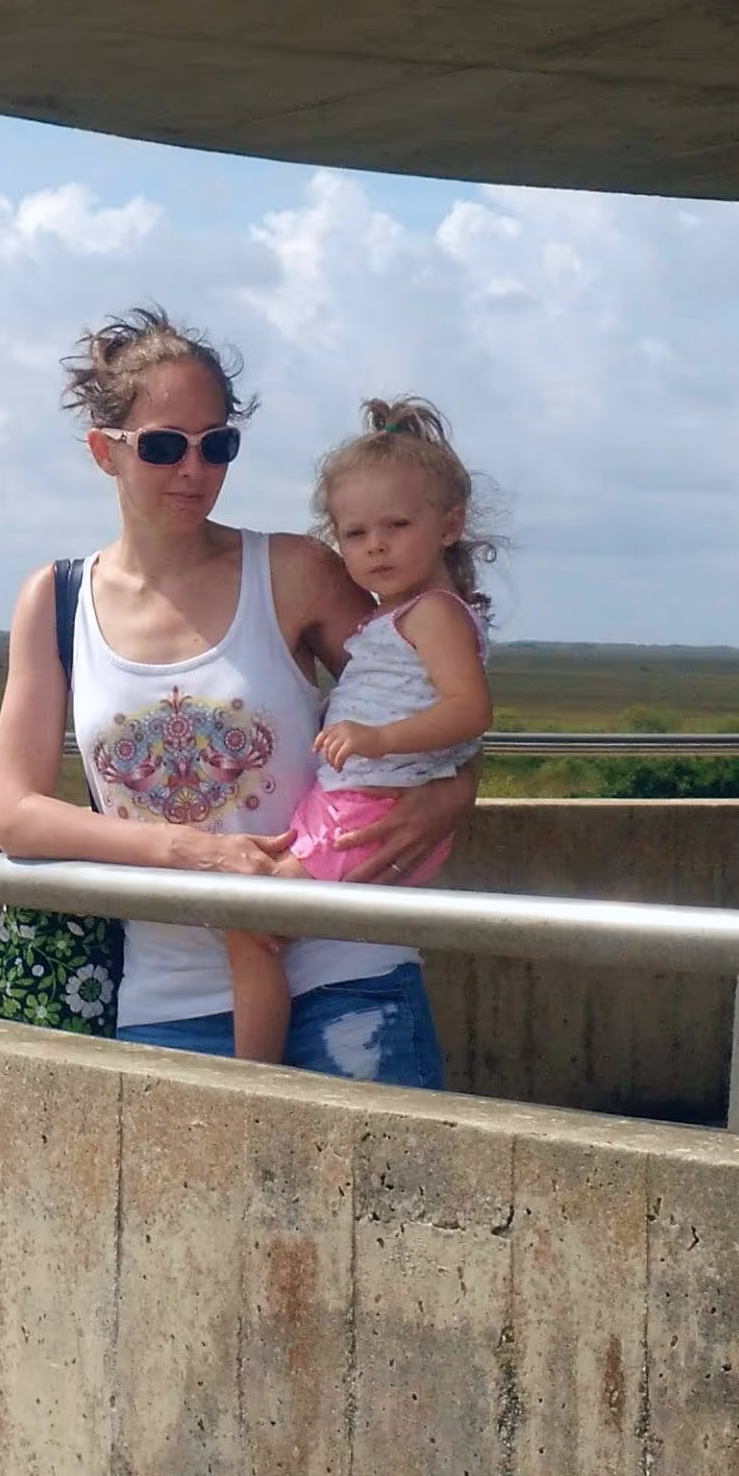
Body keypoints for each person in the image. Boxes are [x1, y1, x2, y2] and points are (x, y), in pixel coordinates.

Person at [0, 310, 467, 1086]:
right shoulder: (57, 598)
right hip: (164, 993)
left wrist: (453, 792)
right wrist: (194, 851)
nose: (194, 469)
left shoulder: (294, 572)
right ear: (103, 452)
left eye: (218, 444)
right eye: (164, 445)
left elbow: (435, 697)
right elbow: (15, 812)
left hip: (343, 968)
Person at [226, 399, 498, 1064]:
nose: (374, 545)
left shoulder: (433, 615)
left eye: (396, 525)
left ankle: (246, 1080)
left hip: (367, 809)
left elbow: (470, 711)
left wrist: (377, 739)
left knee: (248, 925)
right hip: (354, 802)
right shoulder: (398, 617)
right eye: (354, 533)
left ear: (449, 525)